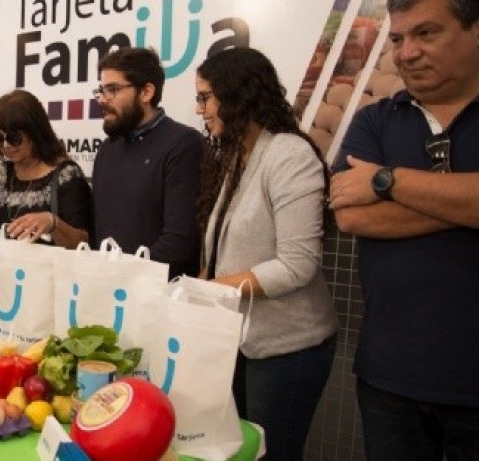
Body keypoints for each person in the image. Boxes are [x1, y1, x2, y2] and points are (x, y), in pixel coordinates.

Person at [329, 0, 479, 459]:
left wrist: (387, 180)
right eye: (397, 39)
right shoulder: (373, 120)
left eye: (426, 34)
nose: (407, 52)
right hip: (389, 379)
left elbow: (369, 198)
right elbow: (350, 215)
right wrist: (464, 202)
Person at [195, 48, 337, 461]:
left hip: (287, 349)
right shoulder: (238, 156)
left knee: (274, 453)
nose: (200, 109)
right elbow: (222, 246)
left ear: (237, 95)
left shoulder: (289, 155)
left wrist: (209, 290)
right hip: (241, 344)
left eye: (206, 97)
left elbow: (297, 266)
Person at [90, 47, 204, 278]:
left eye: (113, 89)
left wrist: (125, 275)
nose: (102, 99)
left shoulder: (184, 144)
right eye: (101, 90)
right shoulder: (107, 149)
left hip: (159, 297)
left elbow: (179, 241)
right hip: (106, 291)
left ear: (146, 92)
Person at [0, 89, 92, 249]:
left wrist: (53, 223)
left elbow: (83, 244)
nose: (6, 145)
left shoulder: (67, 176)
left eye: (14, 137)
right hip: (5, 271)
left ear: (35, 131)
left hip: (52, 273)